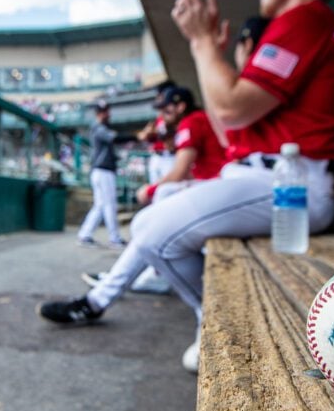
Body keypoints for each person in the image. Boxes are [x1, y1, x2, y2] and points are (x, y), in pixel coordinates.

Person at [39, 0, 334, 374]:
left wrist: (203, 44)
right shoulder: (303, 23)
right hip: (264, 179)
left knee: (151, 231)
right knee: (153, 220)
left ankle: (221, 325)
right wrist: (207, 51)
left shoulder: (305, 18)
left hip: (290, 188)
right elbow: (231, 128)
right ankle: (173, 313)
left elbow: (229, 109)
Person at [80, 84, 229, 295]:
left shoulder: (193, 121)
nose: (161, 114)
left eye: (166, 109)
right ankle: (132, 278)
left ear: (181, 106)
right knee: (149, 212)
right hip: (213, 187)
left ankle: (130, 280)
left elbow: (180, 172)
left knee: (159, 201)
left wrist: (150, 190)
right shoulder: (193, 120)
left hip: (218, 188)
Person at [75, 100, 134, 249]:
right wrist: (136, 136)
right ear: (98, 113)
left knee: (100, 205)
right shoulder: (99, 128)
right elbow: (114, 138)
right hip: (103, 171)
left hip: (101, 171)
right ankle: (114, 238)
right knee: (109, 205)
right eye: (103, 111)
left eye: (107, 111)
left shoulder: (100, 128)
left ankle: (85, 234)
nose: (107, 114)